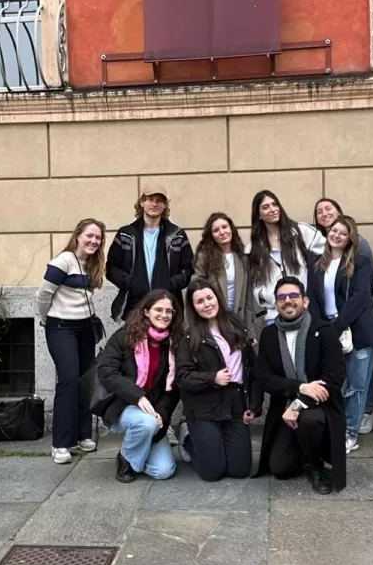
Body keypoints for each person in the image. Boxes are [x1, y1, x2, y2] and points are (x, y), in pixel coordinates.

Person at [253, 276, 347, 494]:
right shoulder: (269, 334)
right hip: (284, 408)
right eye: (282, 297)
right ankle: (303, 449)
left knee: (309, 420)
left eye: (293, 295)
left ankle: (315, 466)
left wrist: (297, 405)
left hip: (319, 407)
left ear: (305, 301)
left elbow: (334, 378)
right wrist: (299, 387)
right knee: (279, 468)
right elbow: (264, 377)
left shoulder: (324, 331)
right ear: (276, 304)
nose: (288, 301)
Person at [307, 215, 373, 454]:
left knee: (357, 386)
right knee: (337, 384)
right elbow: (313, 300)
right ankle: (337, 428)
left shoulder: (359, 261)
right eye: (333, 230)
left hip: (358, 331)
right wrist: (322, 329)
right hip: (330, 330)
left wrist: (337, 327)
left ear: (351, 237)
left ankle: (350, 433)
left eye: (343, 232)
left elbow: (360, 297)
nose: (336, 235)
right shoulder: (317, 262)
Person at [175, 278, 260, 481]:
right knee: (212, 473)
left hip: (235, 404)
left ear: (218, 297)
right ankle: (188, 439)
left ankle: (215, 444)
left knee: (240, 471)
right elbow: (182, 377)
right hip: (205, 408)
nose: (207, 304)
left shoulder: (236, 325)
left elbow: (253, 369)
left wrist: (254, 406)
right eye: (200, 301)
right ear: (193, 307)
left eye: (209, 298)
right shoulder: (189, 337)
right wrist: (212, 378)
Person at [37, 218, 106, 464]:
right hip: (61, 328)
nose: (93, 241)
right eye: (89, 235)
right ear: (78, 235)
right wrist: (47, 319)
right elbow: (43, 294)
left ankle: (82, 435)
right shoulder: (63, 261)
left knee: (84, 381)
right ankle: (61, 444)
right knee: (67, 380)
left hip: (85, 328)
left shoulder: (92, 264)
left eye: (98, 238)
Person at [95, 290, 181, 483]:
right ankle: (126, 459)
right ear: (146, 312)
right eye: (158, 309)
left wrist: (161, 414)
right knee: (145, 423)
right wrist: (138, 396)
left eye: (169, 311)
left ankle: (136, 449)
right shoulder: (125, 336)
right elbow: (106, 371)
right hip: (123, 406)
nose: (164, 315)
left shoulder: (173, 344)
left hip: (154, 412)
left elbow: (173, 388)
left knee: (163, 471)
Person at [106, 184, 193, 321]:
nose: (154, 204)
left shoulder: (177, 235)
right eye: (150, 199)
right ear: (142, 202)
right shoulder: (125, 234)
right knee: (136, 342)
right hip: (134, 306)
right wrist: (131, 282)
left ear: (165, 205)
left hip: (167, 307)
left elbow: (188, 270)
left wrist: (169, 285)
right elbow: (111, 268)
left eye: (159, 200)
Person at [246, 190, 325, 328]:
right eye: (265, 207)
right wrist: (272, 298)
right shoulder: (253, 247)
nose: (272, 209)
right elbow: (256, 282)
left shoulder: (301, 231)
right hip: (274, 315)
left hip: (304, 311)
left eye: (275, 204)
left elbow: (328, 254)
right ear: (258, 215)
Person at [193, 211, 260, 341]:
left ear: (231, 229)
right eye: (216, 230)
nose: (222, 232)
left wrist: (251, 332)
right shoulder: (204, 258)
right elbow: (196, 287)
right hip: (214, 320)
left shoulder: (243, 258)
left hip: (238, 320)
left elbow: (248, 299)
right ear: (211, 235)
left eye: (225, 227)